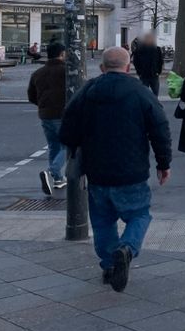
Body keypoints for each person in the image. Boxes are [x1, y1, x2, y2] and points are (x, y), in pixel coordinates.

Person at [59, 47, 171, 293]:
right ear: (128, 67)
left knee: (102, 222)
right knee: (139, 215)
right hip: (131, 170)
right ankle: (127, 248)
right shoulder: (140, 92)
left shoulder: (86, 92)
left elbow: (67, 131)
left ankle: (109, 265)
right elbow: (160, 129)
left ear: (102, 67)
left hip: (97, 171)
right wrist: (164, 164)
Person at [28, 42, 68, 195]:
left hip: (45, 115)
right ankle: (52, 172)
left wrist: (43, 105)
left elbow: (32, 96)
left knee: (54, 146)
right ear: (62, 54)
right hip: (63, 114)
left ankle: (58, 179)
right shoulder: (66, 71)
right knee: (67, 145)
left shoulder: (38, 73)